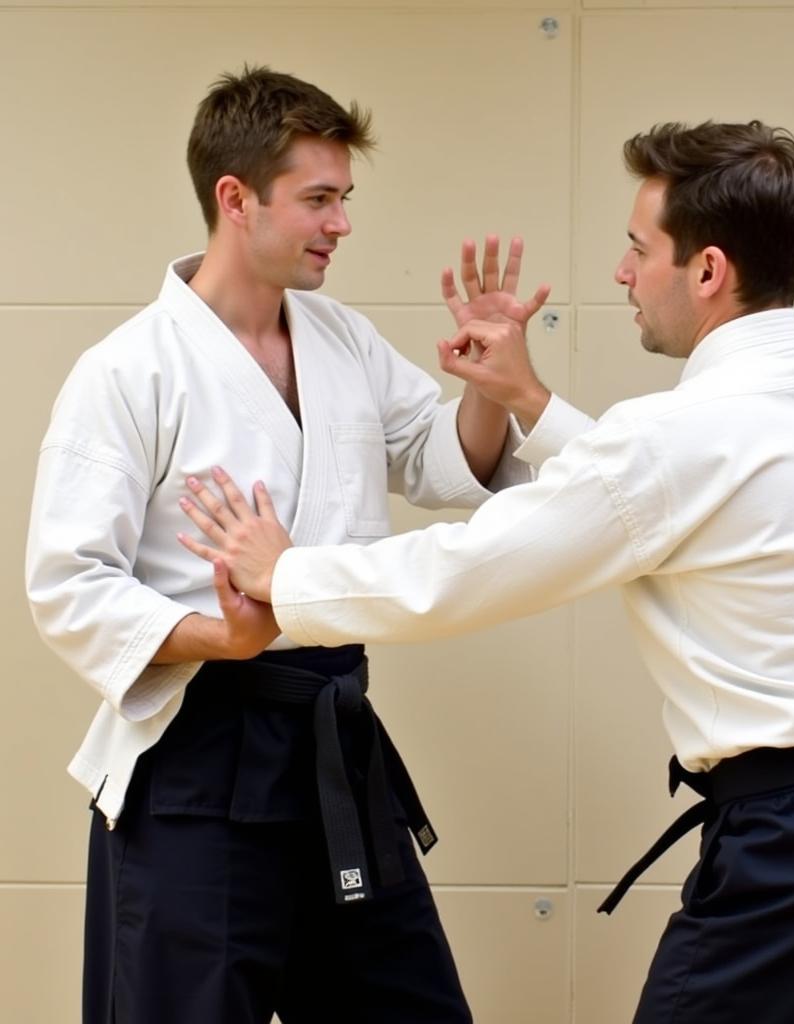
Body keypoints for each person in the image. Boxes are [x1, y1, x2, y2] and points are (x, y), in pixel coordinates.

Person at [179, 120, 794, 1023]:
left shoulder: (674, 439)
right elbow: (686, 491)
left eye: (640, 250)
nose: (621, 273)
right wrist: (525, 399)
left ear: (709, 271)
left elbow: (472, 569)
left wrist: (288, 575)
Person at [25, 65, 551, 1024]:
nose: (341, 225)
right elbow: (67, 583)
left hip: (330, 739)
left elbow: (438, 459)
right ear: (235, 199)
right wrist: (215, 636)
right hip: (197, 745)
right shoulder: (128, 371)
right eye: (318, 199)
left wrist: (488, 381)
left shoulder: (340, 338)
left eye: (343, 200)